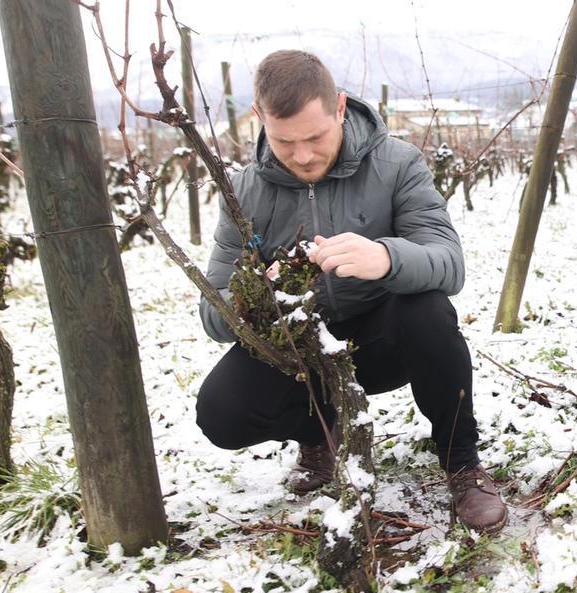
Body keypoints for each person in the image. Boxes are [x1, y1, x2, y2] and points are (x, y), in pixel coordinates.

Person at [194, 50, 506, 534]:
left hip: (385, 343)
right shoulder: (244, 191)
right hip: (301, 351)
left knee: (427, 309)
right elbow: (212, 311)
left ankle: (462, 464)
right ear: (259, 120)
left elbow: (450, 265)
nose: (301, 156)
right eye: (283, 141)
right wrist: (252, 294)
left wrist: (386, 259)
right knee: (222, 413)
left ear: (339, 108)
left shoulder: (397, 164)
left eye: (315, 137)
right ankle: (317, 436)